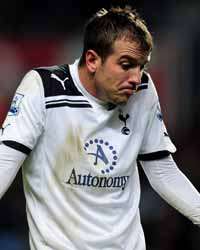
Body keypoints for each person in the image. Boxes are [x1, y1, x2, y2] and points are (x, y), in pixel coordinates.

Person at [0, 6, 200, 250]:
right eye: (126, 65)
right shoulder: (43, 89)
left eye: (142, 66)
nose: (136, 78)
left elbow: (162, 171)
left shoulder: (143, 91)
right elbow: (4, 163)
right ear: (93, 60)